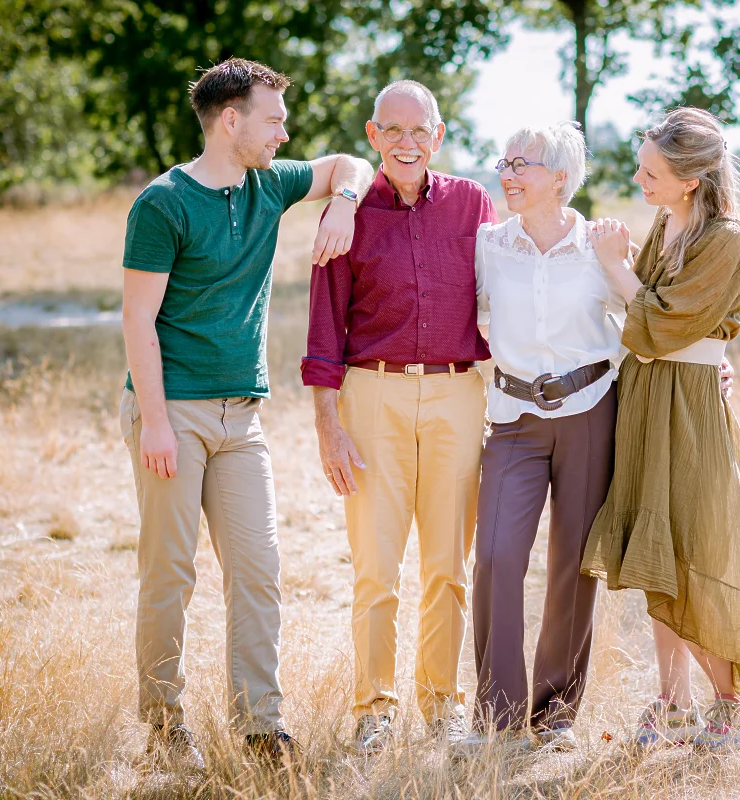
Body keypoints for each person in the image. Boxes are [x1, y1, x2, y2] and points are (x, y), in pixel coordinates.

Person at [120, 57, 373, 771]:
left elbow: (345, 162)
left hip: (244, 419)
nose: (285, 133)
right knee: (170, 573)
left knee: (259, 570)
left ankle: (262, 727)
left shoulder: (270, 184)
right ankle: (164, 728)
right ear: (230, 121)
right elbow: (138, 320)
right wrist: (157, 421)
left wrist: (345, 200)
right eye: (273, 119)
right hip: (173, 412)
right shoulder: (163, 203)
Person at [302, 80, 497, 753]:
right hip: (371, 396)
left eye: (421, 131)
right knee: (375, 567)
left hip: (455, 393)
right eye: (394, 130)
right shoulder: (345, 214)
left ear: (439, 135)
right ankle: (373, 709)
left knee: (448, 564)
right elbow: (324, 327)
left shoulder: (474, 205)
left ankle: (443, 704)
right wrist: (328, 425)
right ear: (373, 135)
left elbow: (514, 295)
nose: (408, 143)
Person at [581, 107, 740, 753]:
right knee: (656, 555)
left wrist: (615, 265)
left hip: (689, 409)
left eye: (652, 172)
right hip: (646, 398)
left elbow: (661, 322)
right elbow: (638, 322)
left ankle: (731, 706)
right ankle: (673, 705)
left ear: (691, 179)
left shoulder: (728, 238)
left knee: (693, 556)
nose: (640, 180)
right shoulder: (668, 222)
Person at [450, 122, 620, 758]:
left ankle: (554, 717)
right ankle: (495, 717)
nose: (509, 173)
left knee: (574, 563)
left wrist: (710, 358)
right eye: (505, 160)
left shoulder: (600, 245)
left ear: (562, 178)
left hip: (590, 410)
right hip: (513, 418)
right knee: (495, 555)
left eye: (524, 163)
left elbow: (644, 318)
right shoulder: (489, 244)